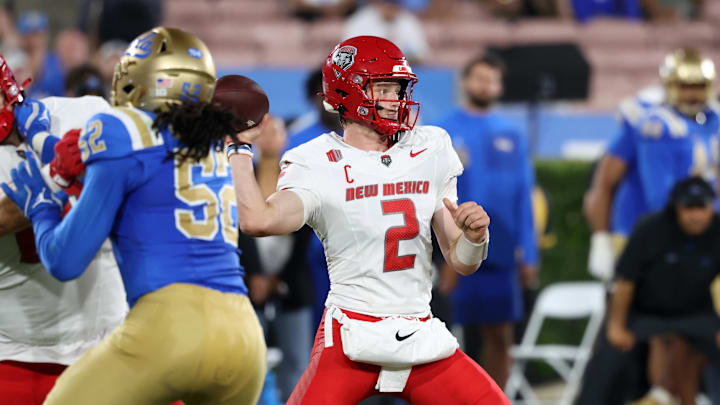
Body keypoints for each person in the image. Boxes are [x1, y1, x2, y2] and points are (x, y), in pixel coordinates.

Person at [227, 35, 508, 404]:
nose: (398, 100)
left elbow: (462, 261)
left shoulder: (430, 147)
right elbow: (258, 221)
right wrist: (238, 148)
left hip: (419, 331)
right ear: (350, 92)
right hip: (351, 334)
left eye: (400, 88)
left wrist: (474, 238)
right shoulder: (317, 160)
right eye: (386, 89)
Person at [1, 27, 266, 404]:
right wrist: (44, 139)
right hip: (243, 337)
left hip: (169, 328)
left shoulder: (115, 126)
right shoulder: (208, 143)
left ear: (132, 82)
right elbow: (116, 154)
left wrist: (43, 209)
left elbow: (65, 260)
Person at [0, 53, 126, 405]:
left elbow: (128, 165)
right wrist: (58, 170)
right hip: (15, 352)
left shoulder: (82, 111)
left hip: (109, 344)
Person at [435, 53, 538, 389]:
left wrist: (529, 251)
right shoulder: (443, 131)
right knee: (447, 334)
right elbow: (433, 193)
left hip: (503, 250)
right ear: (464, 82)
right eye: (478, 78)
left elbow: (525, 194)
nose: (485, 85)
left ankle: (496, 397)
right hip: (454, 246)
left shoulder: (513, 133)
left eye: (491, 79)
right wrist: (447, 250)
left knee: (500, 335)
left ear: (500, 86)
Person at [608, 176, 720, 405]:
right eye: (689, 207)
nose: (696, 215)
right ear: (677, 208)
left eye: (702, 207)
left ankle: (663, 394)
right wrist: (616, 325)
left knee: (690, 338)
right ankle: (662, 394)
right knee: (615, 357)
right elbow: (625, 281)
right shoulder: (651, 228)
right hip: (646, 312)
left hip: (696, 315)